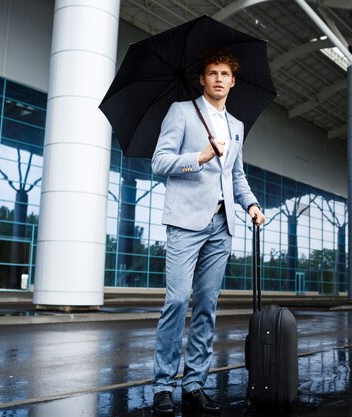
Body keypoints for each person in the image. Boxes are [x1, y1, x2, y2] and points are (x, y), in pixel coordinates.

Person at [150, 48, 266, 416]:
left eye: (224, 74)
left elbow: (236, 176)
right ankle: (162, 385)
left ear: (233, 81)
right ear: (202, 79)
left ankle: (194, 383)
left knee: (207, 307)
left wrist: (251, 204)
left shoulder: (236, 126)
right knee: (178, 301)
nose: (218, 78)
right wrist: (198, 157)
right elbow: (159, 162)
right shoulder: (181, 112)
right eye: (212, 73)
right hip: (185, 222)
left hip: (222, 225)